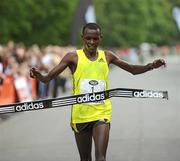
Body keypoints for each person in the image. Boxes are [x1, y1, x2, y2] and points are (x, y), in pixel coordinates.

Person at [30, 23, 166, 161]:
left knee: (100, 158)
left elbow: (132, 69)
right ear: (83, 38)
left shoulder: (107, 56)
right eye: (88, 38)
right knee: (85, 159)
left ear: (100, 38)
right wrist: (38, 75)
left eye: (95, 39)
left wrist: (151, 66)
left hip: (101, 112)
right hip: (80, 114)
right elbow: (47, 78)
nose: (91, 42)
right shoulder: (72, 57)